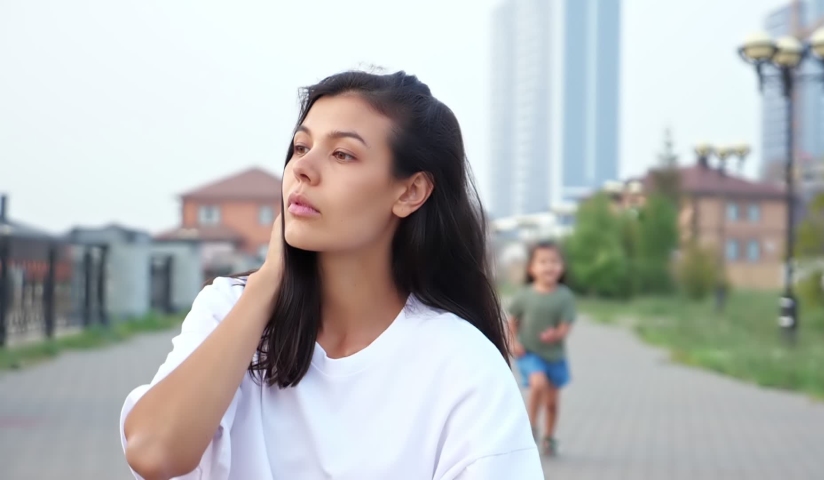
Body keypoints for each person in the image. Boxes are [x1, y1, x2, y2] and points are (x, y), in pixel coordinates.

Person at [119, 70, 544, 479]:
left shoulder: (461, 364)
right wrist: (267, 285)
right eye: (301, 147)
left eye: (343, 154)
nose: (303, 169)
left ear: (410, 191)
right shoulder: (229, 309)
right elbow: (153, 453)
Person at [507, 242, 576, 457]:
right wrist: (513, 342)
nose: (549, 267)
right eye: (543, 262)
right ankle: (531, 425)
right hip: (530, 353)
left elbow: (566, 325)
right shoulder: (525, 296)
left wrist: (556, 334)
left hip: (554, 356)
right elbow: (512, 322)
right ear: (532, 268)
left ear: (562, 267)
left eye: (554, 262)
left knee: (552, 403)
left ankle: (549, 437)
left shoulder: (564, 296)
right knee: (538, 383)